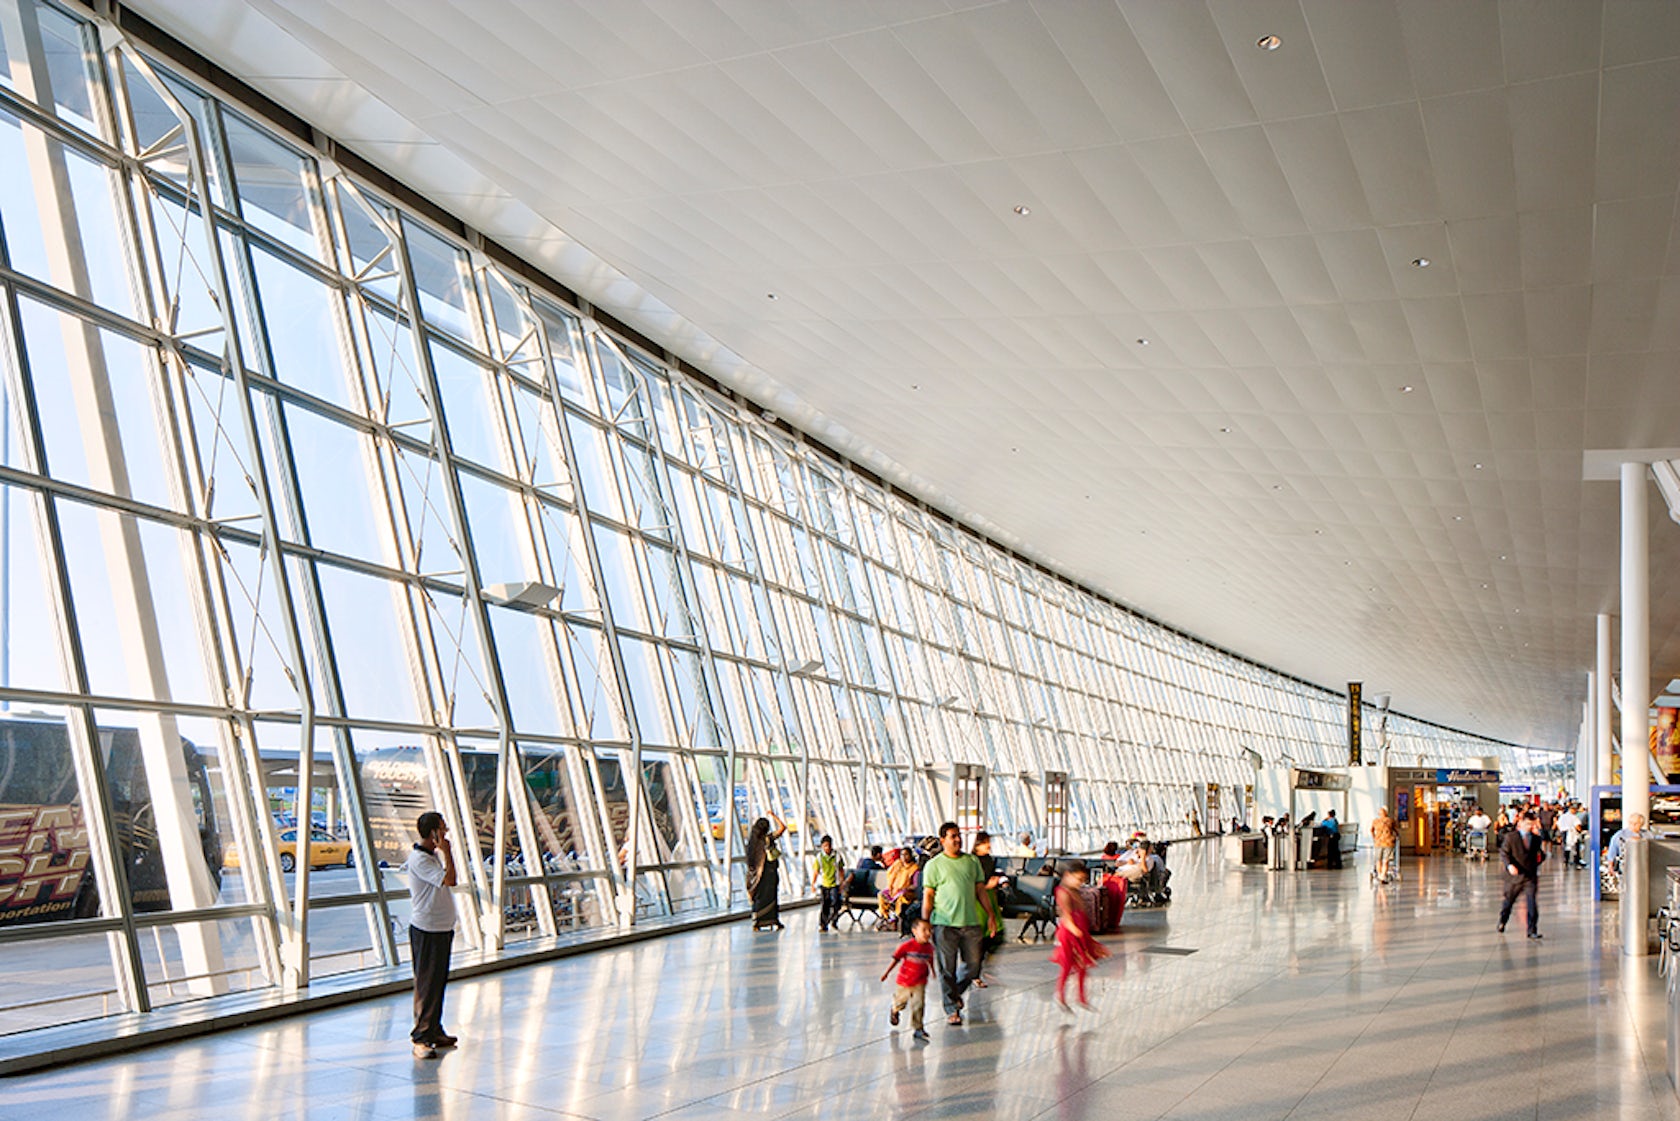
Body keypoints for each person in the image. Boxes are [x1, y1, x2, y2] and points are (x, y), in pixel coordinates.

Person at [922, 821, 990, 1027]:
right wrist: (925, 923)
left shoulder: (971, 862)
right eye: (953, 836)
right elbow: (928, 896)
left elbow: (980, 891)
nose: (958, 839)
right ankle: (951, 1008)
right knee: (947, 969)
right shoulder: (933, 865)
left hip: (971, 922)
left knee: (973, 966)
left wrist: (991, 916)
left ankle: (955, 994)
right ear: (943, 840)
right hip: (944, 924)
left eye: (959, 835)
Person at [406, 810, 459, 1059]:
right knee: (427, 984)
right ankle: (421, 1037)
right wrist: (447, 851)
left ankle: (434, 1029)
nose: (446, 831)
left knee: (438, 983)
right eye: (442, 827)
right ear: (433, 833)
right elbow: (450, 880)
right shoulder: (421, 860)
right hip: (427, 930)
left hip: (441, 929)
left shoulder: (431, 857)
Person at [1050, 860, 1107, 1009]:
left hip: (1078, 931)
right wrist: (1077, 932)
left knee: (1081, 966)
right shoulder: (1063, 892)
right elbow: (1066, 915)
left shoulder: (1074, 891)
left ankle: (1081, 998)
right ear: (1068, 875)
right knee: (1068, 965)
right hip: (1070, 933)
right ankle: (1061, 995)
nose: (1081, 883)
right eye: (1079, 879)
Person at [881, 916, 935, 1042]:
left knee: (918, 1005)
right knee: (901, 1002)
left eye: (930, 930)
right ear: (914, 931)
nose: (928, 933)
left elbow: (930, 960)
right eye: (924, 930)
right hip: (904, 981)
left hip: (920, 981)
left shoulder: (929, 948)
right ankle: (894, 1009)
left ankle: (918, 1028)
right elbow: (896, 959)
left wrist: (933, 971)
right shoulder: (907, 946)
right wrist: (887, 973)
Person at [1498, 812, 1545, 939]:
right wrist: (1509, 865)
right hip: (1514, 877)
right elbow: (1504, 853)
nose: (1530, 826)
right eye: (1528, 824)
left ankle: (1532, 929)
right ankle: (1503, 920)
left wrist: (1538, 861)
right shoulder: (1511, 837)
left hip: (1530, 876)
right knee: (1509, 902)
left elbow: (1541, 855)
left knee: (1531, 903)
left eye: (1532, 824)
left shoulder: (1536, 839)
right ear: (1521, 823)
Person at [972, 831, 1004, 985]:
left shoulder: (989, 860)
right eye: (986, 842)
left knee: (996, 934)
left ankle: (982, 966)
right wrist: (987, 886)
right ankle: (976, 972)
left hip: (990, 898)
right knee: (980, 937)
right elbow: (974, 884)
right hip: (978, 900)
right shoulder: (972, 861)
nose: (989, 845)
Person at [745, 813, 786, 931]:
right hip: (770, 873)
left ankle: (757, 922)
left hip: (757, 876)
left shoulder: (752, 843)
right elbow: (782, 828)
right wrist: (774, 815)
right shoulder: (768, 839)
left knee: (759, 898)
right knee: (771, 897)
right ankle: (773, 919)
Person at [878, 846, 918, 929]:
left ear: (911, 856)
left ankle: (896, 917)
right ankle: (885, 917)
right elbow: (890, 875)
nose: (904, 857)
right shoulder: (898, 865)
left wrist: (906, 888)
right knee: (881, 894)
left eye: (906, 854)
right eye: (902, 855)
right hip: (894, 891)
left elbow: (916, 884)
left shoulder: (914, 868)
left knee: (901, 897)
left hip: (908, 893)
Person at [813, 834, 844, 933]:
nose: (827, 848)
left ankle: (833, 920)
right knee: (825, 904)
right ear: (822, 846)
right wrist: (813, 884)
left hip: (835, 884)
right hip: (824, 884)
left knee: (836, 903)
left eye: (829, 845)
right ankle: (823, 924)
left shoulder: (837, 856)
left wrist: (842, 882)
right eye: (825, 846)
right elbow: (816, 871)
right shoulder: (819, 857)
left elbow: (841, 869)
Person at [1370, 807, 1398, 883]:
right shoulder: (1390, 821)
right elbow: (1396, 830)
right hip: (1388, 842)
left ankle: (1379, 875)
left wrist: (1375, 837)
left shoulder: (1375, 821)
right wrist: (1395, 837)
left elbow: (1371, 830)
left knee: (1378, 860)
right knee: (1386, 860)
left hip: (1378, 842)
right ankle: (1382, 876)